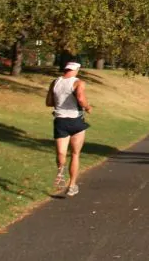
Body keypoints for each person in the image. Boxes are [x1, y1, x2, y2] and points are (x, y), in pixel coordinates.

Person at [45, 61, 91, 197]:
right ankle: (72, 185)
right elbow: (81, 99)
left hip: (60, 120)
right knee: (75, 154)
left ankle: (60, 170)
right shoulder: (79, 82)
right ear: (76, 70)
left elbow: (48, 102)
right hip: (76, 120)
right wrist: (88, 107)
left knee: (61, 153)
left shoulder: (55, 82)